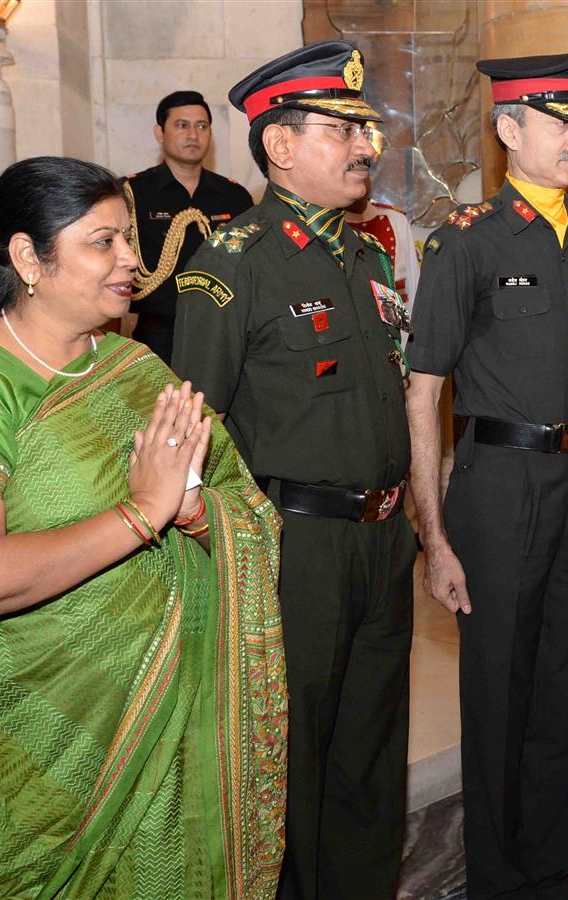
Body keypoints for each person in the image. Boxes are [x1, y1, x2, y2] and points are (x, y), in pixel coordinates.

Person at [0, 156, 285, 898]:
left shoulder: (136, 367)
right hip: (30, 736)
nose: (131, 260)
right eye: (103, 242)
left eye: (128, 240)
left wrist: (198, 512)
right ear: (25, 258)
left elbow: (241, 503)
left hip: (171, 715)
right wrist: (140, 514)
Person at [172, 41, 414, 900]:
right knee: (293, 759)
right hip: (295, 548)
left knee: (373, 754)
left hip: (385, 543)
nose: (364, 144)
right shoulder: (231, 267)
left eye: (365, 127)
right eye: (342, 127)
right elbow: (191, 431)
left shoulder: (369, 256)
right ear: (279, 145)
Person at [405, 49, 568, 899]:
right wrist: (435, 536)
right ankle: (497, 884)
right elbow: (423, 395)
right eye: (561, 123)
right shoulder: (466, 242)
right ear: (508, 129)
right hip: (501, 483)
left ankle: (547, 875)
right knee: (498, 698)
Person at [123, 90, 253, 363]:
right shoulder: (132, 193)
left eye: (201, 126)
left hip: (225, 330)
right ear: (160, 133)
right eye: (182, 125)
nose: (193, 135)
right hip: (157, 335)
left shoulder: (235, 196)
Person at [346, 182, 421, 348]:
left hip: (395, 311)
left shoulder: (395, 220)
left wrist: (415, 335)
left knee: (398, 364)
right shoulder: (328, 226)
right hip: (352, 317)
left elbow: (413, 281)